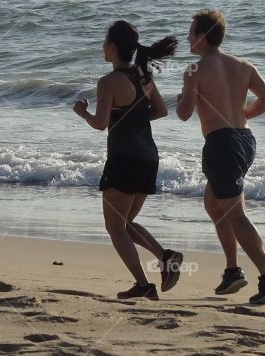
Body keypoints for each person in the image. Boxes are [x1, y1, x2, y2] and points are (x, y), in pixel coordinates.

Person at [175, 8, 265, 305]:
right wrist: (244, 114)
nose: (188, 38)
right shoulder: (243, 65)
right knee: (214, 203)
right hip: (245, 140)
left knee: (234, 213)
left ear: (201, 37)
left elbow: (184, 114)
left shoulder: (194, 70)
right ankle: (232, 271)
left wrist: (185, 98)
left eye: (190, 33)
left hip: (221, 144)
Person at [74, 20, 184, 300]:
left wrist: (82, 113)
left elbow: (100, 125)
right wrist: (131, 118)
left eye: (105, 42)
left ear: (112, 47)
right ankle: (166, 257)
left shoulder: (108, 82)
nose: (102, 47)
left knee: (114, 228)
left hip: (124, 158)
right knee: (125, 224)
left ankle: (144, 285)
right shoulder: (143, 76)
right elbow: (160, 111)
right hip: (148, 158)